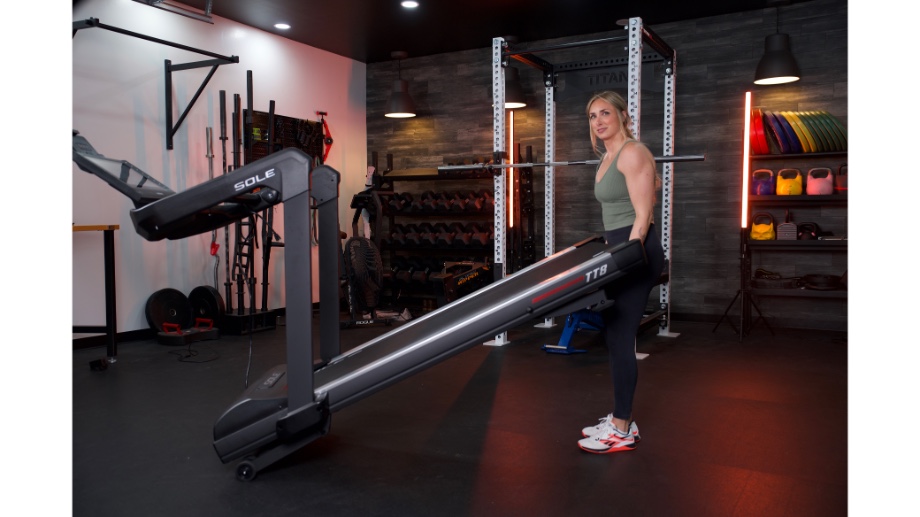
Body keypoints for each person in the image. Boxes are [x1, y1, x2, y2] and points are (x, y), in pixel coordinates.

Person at [576, 90, 665, 454]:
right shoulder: (608, 156)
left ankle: (622, 428)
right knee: (615, 338)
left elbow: (642, 216)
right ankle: (619, 418)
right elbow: (638, 196)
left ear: (623, 116)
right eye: (593, 116)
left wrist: (627, 259)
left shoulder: (632, 152)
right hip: (619, 250)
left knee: (620, 338)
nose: (598, 122)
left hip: (636, 252)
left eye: (605, 114)